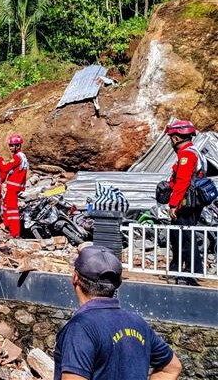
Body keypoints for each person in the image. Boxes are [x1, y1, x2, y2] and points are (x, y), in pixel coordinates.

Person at [54, 246, 182, 380]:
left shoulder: (80, 328)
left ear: (75, 278)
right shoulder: (138, 323)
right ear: (118, 283)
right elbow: (172, 368)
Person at [165, 120, 205, 278]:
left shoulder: (187, 154)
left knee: (185, 236)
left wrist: (174, 204)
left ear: (175, 139)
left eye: (171, 139)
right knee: (178, 235)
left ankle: (191, 272)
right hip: (188, 202)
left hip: (186, 204)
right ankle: (177, 268)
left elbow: (183, 181)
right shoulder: (194, 152)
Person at [1, 134, 28, 238]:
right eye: (10, 146)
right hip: (17, 187)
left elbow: (6, 168)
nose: (11, 148)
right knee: (7, 207)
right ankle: (8, 227)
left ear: (18, 146)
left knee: (12, 211)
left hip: (13, 187)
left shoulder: (17, 157)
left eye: (13, 145)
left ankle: (14, 233)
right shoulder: (23, 156)